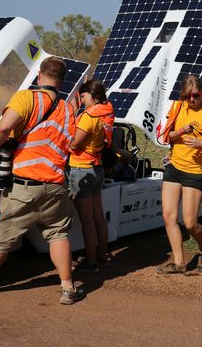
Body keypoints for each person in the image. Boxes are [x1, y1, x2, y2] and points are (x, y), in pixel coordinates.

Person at [0, 56, 84, 305]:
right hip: (56, 185)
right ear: (63, 81)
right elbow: (70, 143)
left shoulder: (27, 97)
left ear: (39, 76)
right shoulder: (68, 109)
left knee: (2, 236)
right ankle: (68, 287)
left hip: (25, 186)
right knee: (57, 234)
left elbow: (4, 128)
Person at [157, 74, 202, 274]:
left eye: (196, 96)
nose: (192, 100)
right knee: (168, 217)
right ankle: (180, 262)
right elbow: (166, 137)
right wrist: (181, 130)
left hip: (194, 172)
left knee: (190, 223)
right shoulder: (177, 107)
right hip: (173, 168)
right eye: (188, 96)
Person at [68, 79, 114, 271]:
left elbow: (75, 143)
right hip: (97, 168)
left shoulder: (89, 117)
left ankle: (91, 261)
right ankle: (102, 255)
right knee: (98, 216)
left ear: (93, 96)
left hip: (81, 170)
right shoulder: (106, 113)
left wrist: (68, 144)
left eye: (84, 96)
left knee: (87, 220)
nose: (81, 99)